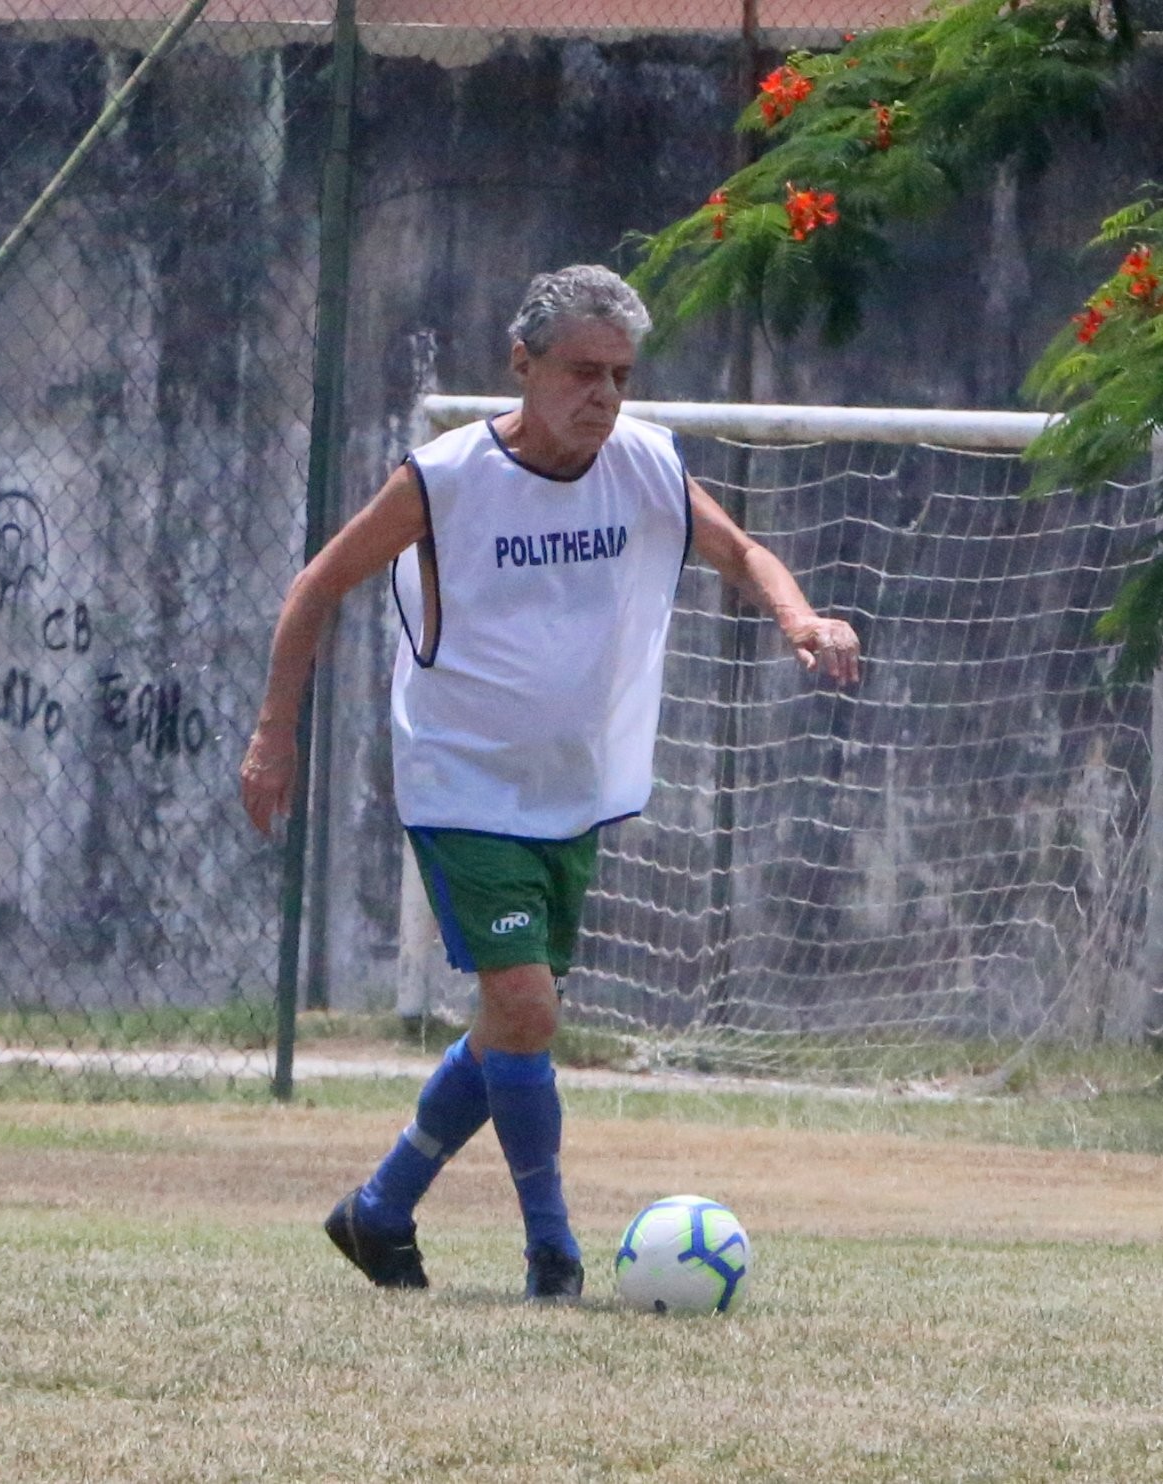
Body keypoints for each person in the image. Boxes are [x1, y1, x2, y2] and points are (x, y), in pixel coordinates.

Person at [240, 264, 860, 1302]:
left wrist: (800, 617)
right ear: (522, 366)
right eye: (582, 371)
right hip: (459, 780)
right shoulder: (444, 477)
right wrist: (273, 734)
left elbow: (741, 550)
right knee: (527, 1005)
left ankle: (382, 1207)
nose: (604, 395)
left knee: (508, 1022)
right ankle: (552, 1255)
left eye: (620, 375)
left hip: (570, 788)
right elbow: (317, 584)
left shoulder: (647, 466)